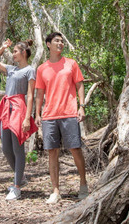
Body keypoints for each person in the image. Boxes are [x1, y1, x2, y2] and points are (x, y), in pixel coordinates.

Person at [35, 31, 88, 204]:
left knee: (75, 149)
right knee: (52, 152)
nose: (61, 43)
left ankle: (83, 184)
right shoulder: (42, 68)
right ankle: (55, 191)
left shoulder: (71, 64)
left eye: (62, 41)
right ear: (48, 44)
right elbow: (39, 93)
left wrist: (82, 106)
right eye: (57, 41)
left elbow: (79, 84)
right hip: (49, 115)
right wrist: (37, 114)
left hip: (69, 113)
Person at [0, 38, 38, 201]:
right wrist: (3, 47)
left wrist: (27, 118)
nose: (13, 54)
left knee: (18, 149)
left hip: (18, 109)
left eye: (15, 51)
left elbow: (30, 95)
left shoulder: (29, 70)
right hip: (5, 108)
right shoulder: (11, 69)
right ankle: (21, 178)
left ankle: (16, 187)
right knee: (6, 148)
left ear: (23, 53)